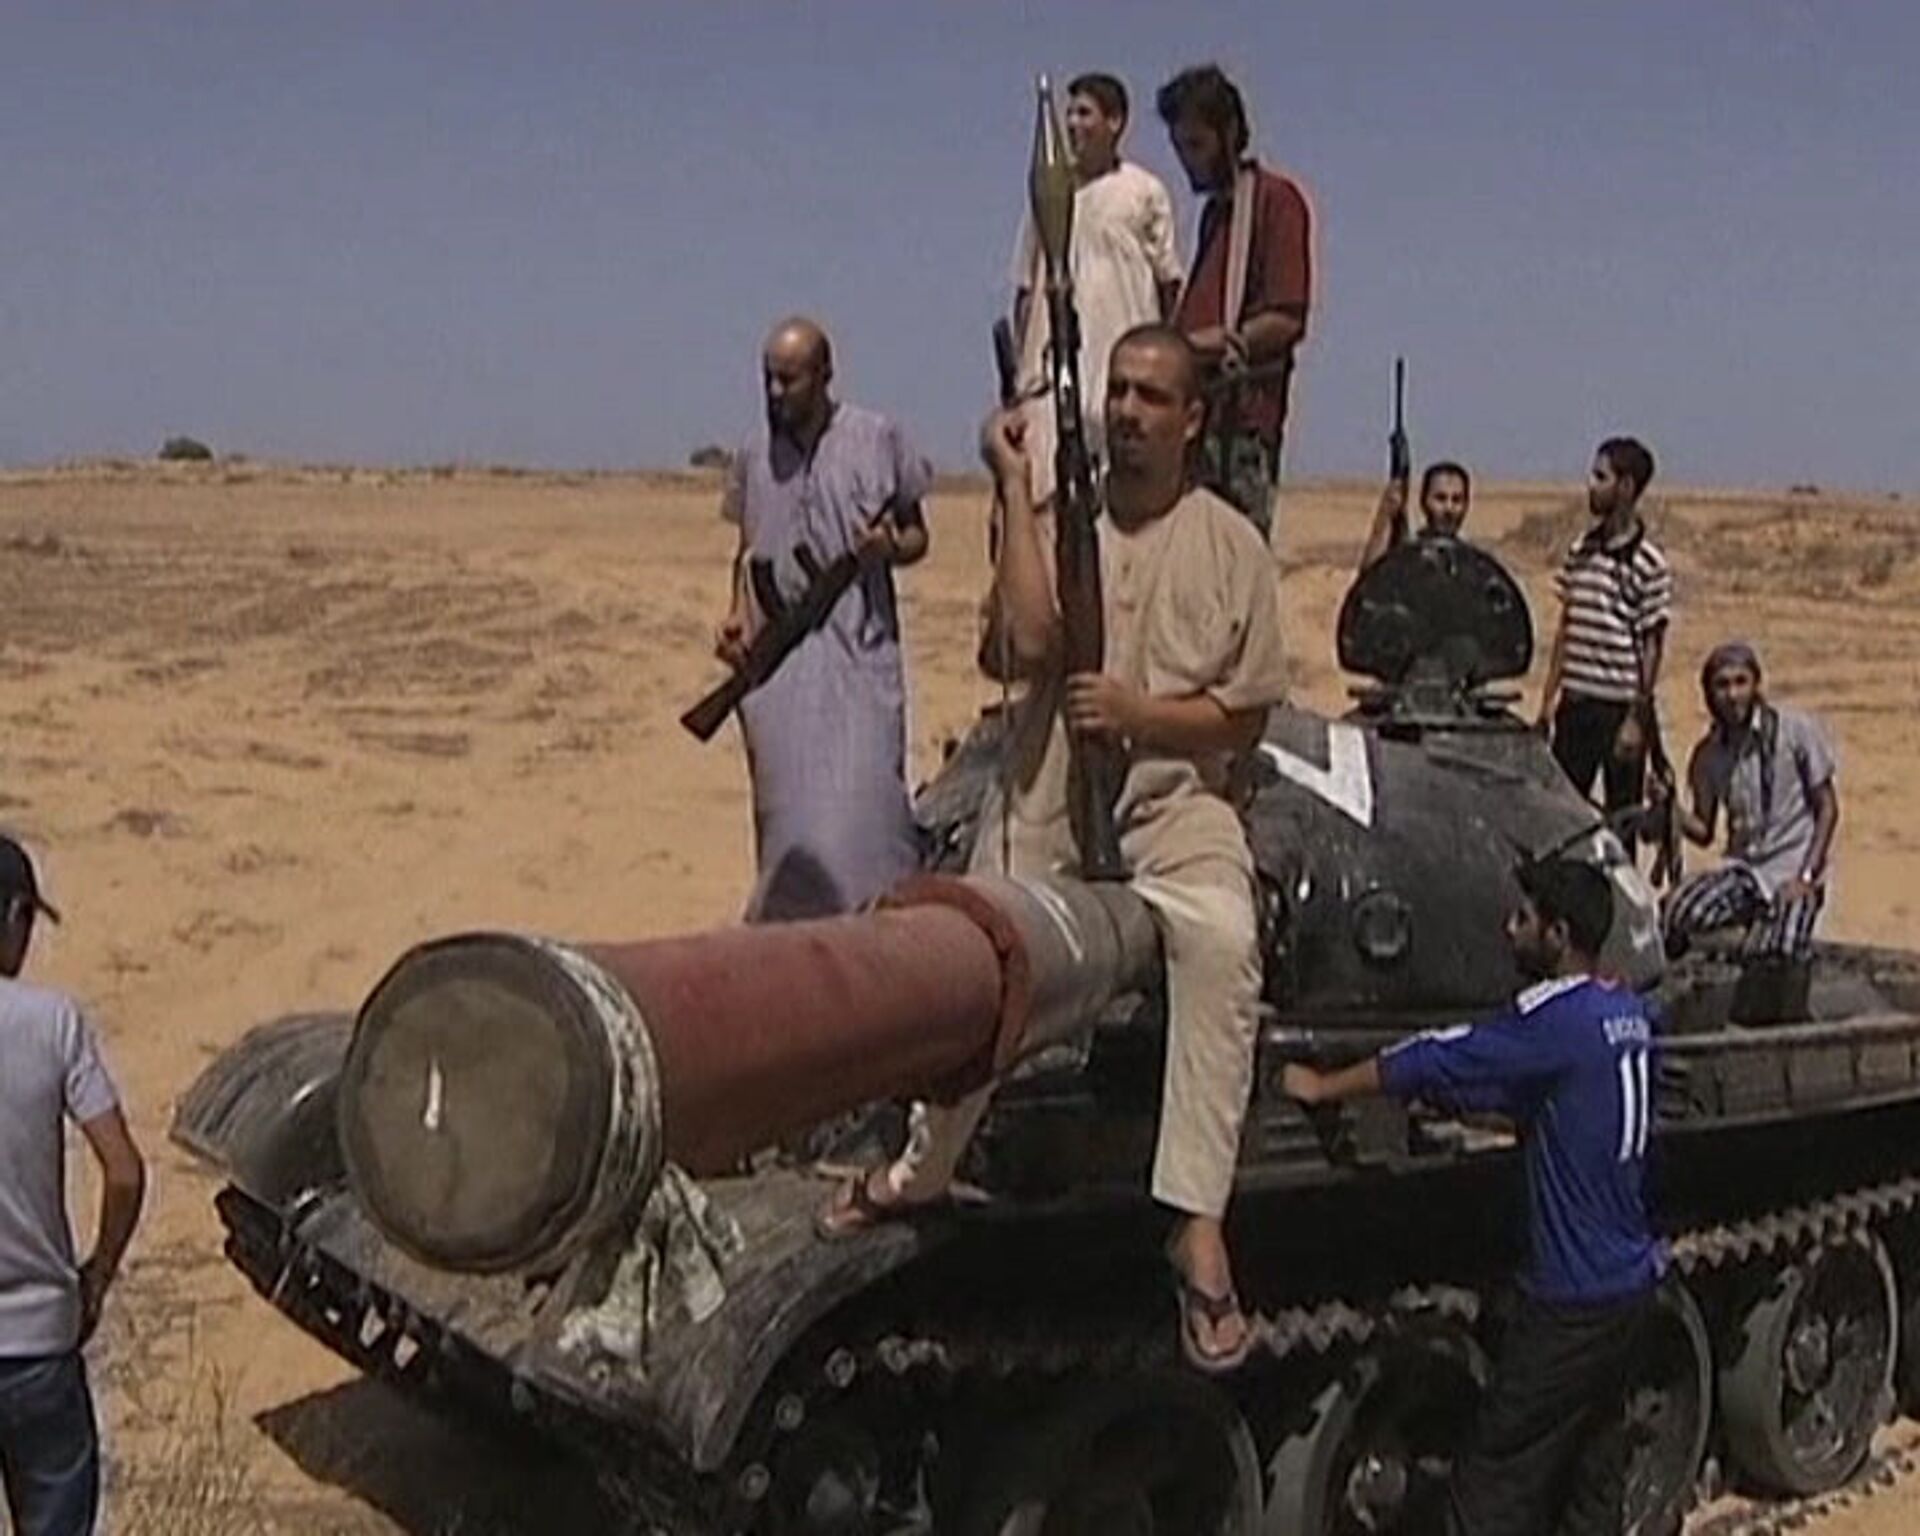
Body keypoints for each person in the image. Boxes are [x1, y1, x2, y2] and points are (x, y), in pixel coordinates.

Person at [817, 325, 1289, 1374]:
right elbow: (1024, 646)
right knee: (979, 962)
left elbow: (1245, 717)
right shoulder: (1058, 521)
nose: (1127, 412)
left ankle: (1197, 1219)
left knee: (1222, 939)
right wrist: (1014, 490)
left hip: (1175, 803)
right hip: (1044, 796)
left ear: (1193, 419)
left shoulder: (1231, 546)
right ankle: (921, 1171)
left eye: (1152, 397)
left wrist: (1141, 717)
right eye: (1117, 391)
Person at [1283, 857, 1659, 1536]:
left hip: (1571, 1298)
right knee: (1593, 1472)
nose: (1509, 927)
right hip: (1628, 1284)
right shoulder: (1622, 1008)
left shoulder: (1553, 1020)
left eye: (1524, 918)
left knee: (1493, 1483)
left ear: (1558, 934)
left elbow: (1437, 1052)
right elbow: (1560, 1095)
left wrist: (1321, 1085)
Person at [715, 318, 934, 922]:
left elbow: (917, 536)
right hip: (776, 675)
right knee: (787, 824)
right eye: (768, 379)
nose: (775, 392)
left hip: (857, 660)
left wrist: (887, 548)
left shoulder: (877, 438)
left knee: (866, 808)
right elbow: (747, 549)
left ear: (825, 375)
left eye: (789, 379)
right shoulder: (754, 455)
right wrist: (736, 619)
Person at [0, 836, 146, 1536]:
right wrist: (96, 1279)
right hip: (39, 1341)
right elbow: (124, 1172)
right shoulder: (53, 1023)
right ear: (13, 917)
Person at [1157, 63, 1313, 542]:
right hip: (1198, 427)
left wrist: (1221, 344)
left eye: (1196, 145)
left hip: (1239, 429)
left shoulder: (1274, 201)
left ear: (1228, 134)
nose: (1187, 161)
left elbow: (1287, 317)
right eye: (1179, 147)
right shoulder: (1216, 216)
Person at [1010, 71, 1183, 501]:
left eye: (1084, 113)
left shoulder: (1143, 191)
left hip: (1119, 374)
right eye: (1069, 114)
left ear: (1115, 122)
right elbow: (1026, 289)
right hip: (1053, 378)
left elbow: (1169, 285)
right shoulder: (1048, 191)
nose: (1072, 124)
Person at [1658, 641, 1840, 962]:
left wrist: (1807, 877)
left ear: (1756, 684)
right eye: (1722, 685)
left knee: (1781, 950)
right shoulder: (1708, 754)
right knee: (1678, 910)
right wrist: (1666, 808)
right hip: (1746, 871)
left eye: (1740, 682)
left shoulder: (1794, 732)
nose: (1732, 695)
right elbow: (1703, 830)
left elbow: (1827, 808)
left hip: (1792, 868)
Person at [1536, 437, 1673, 815]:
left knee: (1621, 818)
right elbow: (1567, 627)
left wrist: (1636, 719)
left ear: (1626, 487)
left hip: (1619, 709)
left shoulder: (1649, 563)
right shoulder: (1581, 549)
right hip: (1575, 705)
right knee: (1563, 814)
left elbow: (1652, 646)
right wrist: (1548, 702)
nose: (1590, 485)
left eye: (1601, 477)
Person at [1357, 459, 1473, 574]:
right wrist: (1386, 516)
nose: (1449, 508)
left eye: (1456, 500)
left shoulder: (1473, 563)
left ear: (1466, 504)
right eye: (1440, 498)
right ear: (1424, 501)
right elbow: (1371, 576)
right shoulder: (1407, 556)